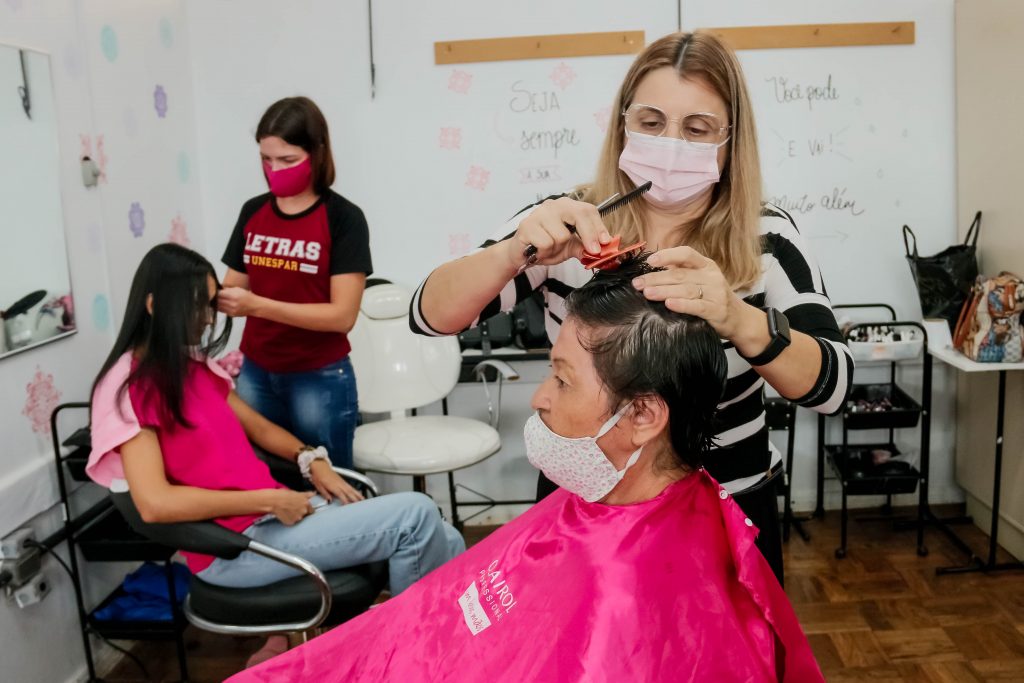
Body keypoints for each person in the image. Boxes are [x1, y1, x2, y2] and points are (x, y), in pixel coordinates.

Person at [229, 255, 824, 682]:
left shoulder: (639, 595)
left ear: (642, 414)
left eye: (561, 379)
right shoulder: (606, 495)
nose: (539, 399)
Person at [410, 31, 853, 584]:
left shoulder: (765, 238)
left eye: (697, 129)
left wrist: (738, 318)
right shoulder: (569, 220)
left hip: (726, 514)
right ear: (622, 121)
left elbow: (833, 387)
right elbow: (429, 315)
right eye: (650, 122)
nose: (671, 143)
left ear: (730, 140)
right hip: (584, 509)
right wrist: (514, 252)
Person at [86, 244, 464, 666]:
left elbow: (260, 428)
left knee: (445, 536)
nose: (208, 319)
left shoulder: (190, 368)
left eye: (210, 305)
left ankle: (437, 646)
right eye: (197, 307)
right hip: (236, 546)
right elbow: (155, 504)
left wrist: (310, 458)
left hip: (275, 515)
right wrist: (268, 500)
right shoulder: (129, 389)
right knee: (415, 515)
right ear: (155, 305)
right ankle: (411, 656)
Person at [219, 96, 371, 469]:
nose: (274, 170)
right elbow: (231, 285)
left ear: (317, 153)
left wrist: (257, 305)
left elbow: (341, 317)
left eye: (287, 160)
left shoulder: (344, 218)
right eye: (266, 160)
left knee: (331, 481)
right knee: (269, 479)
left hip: (318, 377)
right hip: (255, 372)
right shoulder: (253, 211)